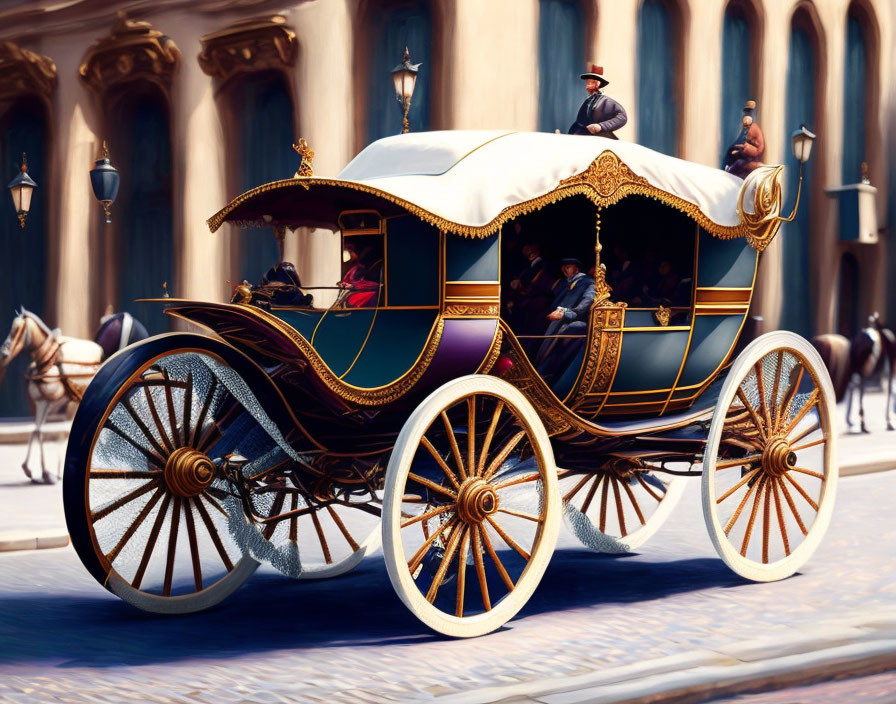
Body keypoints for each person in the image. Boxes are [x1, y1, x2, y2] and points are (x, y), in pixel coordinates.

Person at [535, 258, 594, 382]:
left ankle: (545, 378)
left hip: (568, 323)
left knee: (554, 353)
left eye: (568, 267)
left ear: (576, 268)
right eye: (563, 267)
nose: (564, 270)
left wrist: (565, 313)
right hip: (556, 321)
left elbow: (585, 304)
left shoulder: (588, 282)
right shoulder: (567, 283)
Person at [568, 64, 628, 139]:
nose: (588, 85)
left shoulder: (607, 102)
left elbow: (622, 117)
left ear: (598, 84)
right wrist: (569, 135)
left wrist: (601, 126)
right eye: (587, 82)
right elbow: (580, 122)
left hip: (600, 140)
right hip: (583, 138)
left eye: (591, 83)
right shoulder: (587, 102)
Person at [724, 100, 765, 178]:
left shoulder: (754, 128)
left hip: (752, 160)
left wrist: (745, 148)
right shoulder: (745, 128)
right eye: (746, 112)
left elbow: (759, 149)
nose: (747, 114)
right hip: (745, 156)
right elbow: (740, 141)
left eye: (749, 112)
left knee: (739, 164)